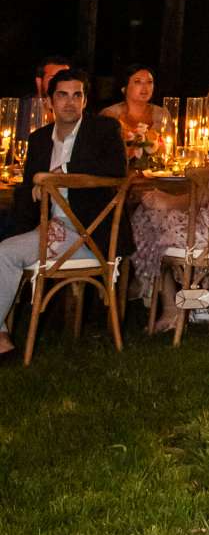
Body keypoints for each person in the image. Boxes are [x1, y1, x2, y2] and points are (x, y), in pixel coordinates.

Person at [0, 67, 127, 360]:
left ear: (85, 100)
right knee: (7, 248)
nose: (70, 102)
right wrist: (36, 185)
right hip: (51, 230)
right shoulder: (40, 139)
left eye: (77, 95)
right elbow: (30, 189)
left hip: (91, 235)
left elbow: (117, 171)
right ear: (50, 102)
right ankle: (4, 335)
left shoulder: (104, 130)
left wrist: (60, 175)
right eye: (62, 95)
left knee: (7, 252)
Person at [131, 78, 209, 331]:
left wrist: (168, 201)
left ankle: (173, 310)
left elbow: (203, 198)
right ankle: (192, 304)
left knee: (146, 221)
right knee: (150, 217)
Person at [102, 66, 163, 163]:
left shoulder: (162, 114)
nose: (145, 87)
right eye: (138, 82)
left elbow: (172, 149)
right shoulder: (110, 114)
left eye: (149, 82)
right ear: (124, 88)